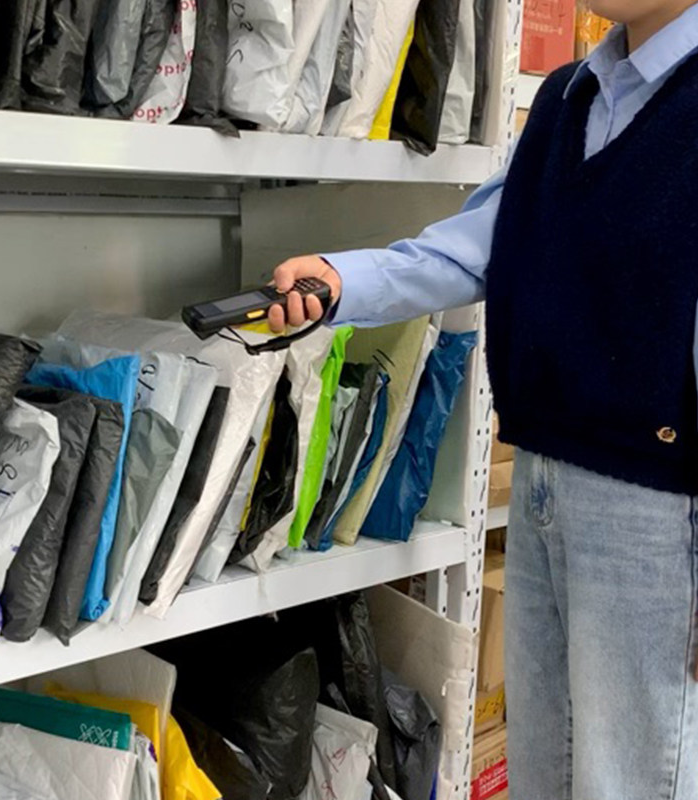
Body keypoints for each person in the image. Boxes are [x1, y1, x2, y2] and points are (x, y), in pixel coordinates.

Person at [267, 2, 698, 798]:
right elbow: (473, 250)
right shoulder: (569, 98)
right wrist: (340, 281)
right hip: (544, 477)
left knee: (636, 779)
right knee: (547, 770)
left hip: (660, 513)